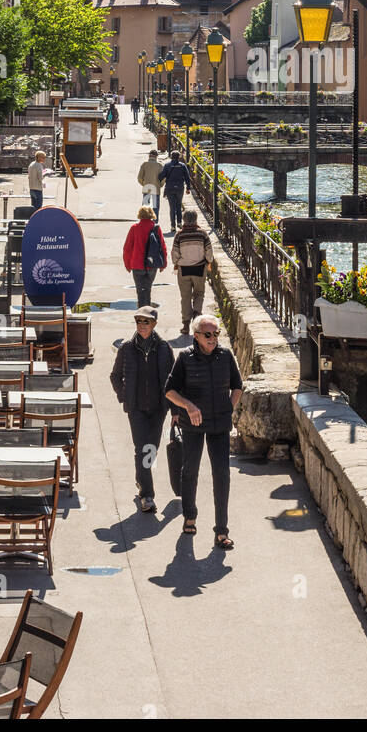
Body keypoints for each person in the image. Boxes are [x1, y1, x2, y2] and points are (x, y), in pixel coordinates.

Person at [165, 314, 242, 547]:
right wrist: (188, 406)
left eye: (216, 334)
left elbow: (237, 386)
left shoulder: (225, 355)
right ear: (196, 336)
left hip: (219, 425)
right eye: (208, 334)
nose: (213, 338)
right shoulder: (185, 358)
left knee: (222, 475)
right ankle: (190, 516)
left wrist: (229, 407)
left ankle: (221, 531)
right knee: (190, 471)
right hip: (193, 425)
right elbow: (169, 390)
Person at [110, 308, 176, 512]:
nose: (141, 325)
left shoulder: (164, 348)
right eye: (138, 321)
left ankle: (141, 478)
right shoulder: (127, 348)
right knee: (142, 448)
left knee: (151, 449)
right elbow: (115, 376)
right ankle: (147, 495)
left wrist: (174, 409)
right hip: (136, 408)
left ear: (154, 324)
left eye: (145, 322)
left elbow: (174, 381)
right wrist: (124, 396)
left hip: (158, 409)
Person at [171, 208, 213, 334]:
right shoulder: (203, 234)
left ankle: (185, 324)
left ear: (184, 220)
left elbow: (175, 253)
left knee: (185, 297)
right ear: (196, 219)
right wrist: (208, 261)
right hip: (200, 268)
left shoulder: (179, 235)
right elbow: (209, 252)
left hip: (184, 269)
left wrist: (176, 263)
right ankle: (196, 314)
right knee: (199, 293)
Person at [122, 206, 168, 307]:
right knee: (148, 289)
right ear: (152, 214)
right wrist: (163, 264)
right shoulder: (156, 228)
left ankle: (142, 312)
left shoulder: (134, 228)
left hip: (137, 265)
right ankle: (147, 312)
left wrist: (127, 265)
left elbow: (127, 249)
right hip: (152, 264)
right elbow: (162, 247)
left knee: (140, 290)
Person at [158, 150, 192, 233]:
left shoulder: (167, 165)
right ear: (179, 157)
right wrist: (188, 188)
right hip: (179, 188)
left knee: (172, 207)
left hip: (170, 188)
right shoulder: (182, 166)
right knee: (178, 205)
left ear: (171, 157)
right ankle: (179, 223)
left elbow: (161, 177)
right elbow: (187, 177)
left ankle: (173, 226)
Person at [137, 148, 162, 221]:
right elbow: (163, 178)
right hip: (156, 187)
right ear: (156, 157)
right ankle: (155, 222)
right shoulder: (159, 165)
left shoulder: (144, 164)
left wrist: (143, 184)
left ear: (149, 156)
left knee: (145, 206)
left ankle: (144, 220)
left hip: (146, 187)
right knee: (155, 207)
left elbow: (139, 177)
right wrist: (160, 185)